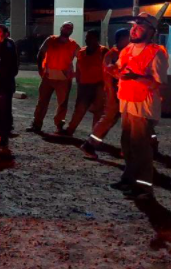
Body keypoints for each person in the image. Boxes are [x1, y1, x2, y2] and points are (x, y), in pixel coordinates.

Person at [106, 13, 168, 200]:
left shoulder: (157, 52)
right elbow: (121, 70)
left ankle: (144, 188)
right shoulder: (128, 49)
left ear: (151, 31)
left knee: (140, 147)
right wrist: (113, 70)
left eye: (139, 26)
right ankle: (129, 178)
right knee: (127, 144)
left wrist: (136, 78)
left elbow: (159, 83)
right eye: (133, 25)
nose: (133, 29)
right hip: (127, 101)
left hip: (143, 105)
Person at [80, 28, 130, 159]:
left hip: (122, 93)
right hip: (114, 93)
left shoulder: (125, 53)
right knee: (108, 119)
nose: (130, 40)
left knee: (120, 121)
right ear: (120, 39)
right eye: (127, 38)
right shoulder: (113, 54)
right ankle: (89, 145)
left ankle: (126, 150)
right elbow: (113, 73)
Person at [27, 22, 80, 134]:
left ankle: (59, 126)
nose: (67, 29)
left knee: (62, 104)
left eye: (70, 28)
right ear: (61, 28)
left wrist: (76, 73)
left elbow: (82, 57)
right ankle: (37, 124)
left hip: (64, 79)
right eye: (65, 27)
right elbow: (41, 54)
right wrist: (40, 70)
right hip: (48, 77)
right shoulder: (51, 40)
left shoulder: (73, 44)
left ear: (71, 31)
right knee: (42, 101)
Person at [63, 30, 108, 136]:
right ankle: (70, 130)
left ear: (96, 39)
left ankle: (94, 135)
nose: (86, 39)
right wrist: (78, 80)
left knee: (98, 111)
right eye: (86, 37)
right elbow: (78, 68)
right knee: (79, 109)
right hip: (84, 85)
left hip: (99, 86)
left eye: (89, 37)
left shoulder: (103, 51)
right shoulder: (82, 52)